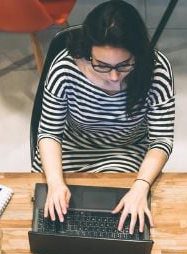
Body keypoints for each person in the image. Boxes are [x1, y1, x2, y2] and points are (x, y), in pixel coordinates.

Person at [35, 0, 175, 234]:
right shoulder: (65, 68)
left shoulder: (156, 70)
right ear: (87, 53)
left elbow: (161, 140)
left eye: (124, 64)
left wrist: (140, 187)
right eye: (101, 65)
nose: (113, 77)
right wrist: (56, 182)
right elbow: (49, 132)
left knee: (123, 223)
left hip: (126, 152)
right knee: (57, 221)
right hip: (71, 149)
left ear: (137, 54)